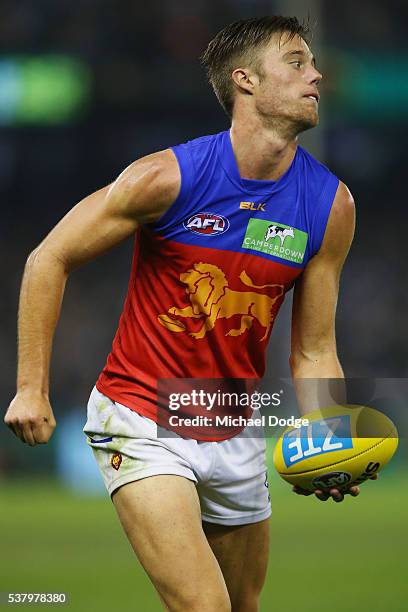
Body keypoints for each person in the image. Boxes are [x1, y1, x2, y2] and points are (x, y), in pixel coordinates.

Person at [4, 15, 367, 612]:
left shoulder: (330, 205)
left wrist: (327, 432)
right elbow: (49, 258)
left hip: (233, 422)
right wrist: (29, 387)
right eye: (297, 62)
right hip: (141, 416)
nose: (318, 75)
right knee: (205, 607)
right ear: (245, 81)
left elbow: (312, 349)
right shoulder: (166, 178)